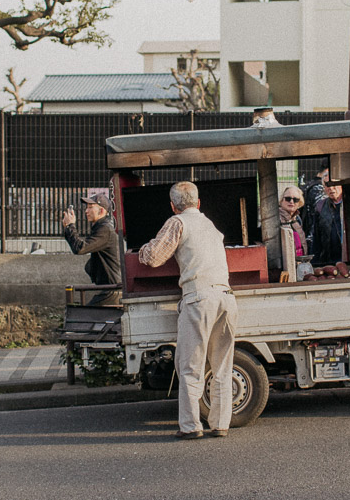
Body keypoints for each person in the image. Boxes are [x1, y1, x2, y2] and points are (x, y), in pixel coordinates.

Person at [138, 181, 237, 440]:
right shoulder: (211, 226)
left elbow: (153, 258)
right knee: (222, 366)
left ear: (173, 206)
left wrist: (143, 248)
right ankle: (220, 424)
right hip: (226, 297)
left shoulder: (177, 222)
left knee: (190, 367)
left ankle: (191, 426)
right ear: (199, 203)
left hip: (198, 298)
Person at [62, 194, 122, 306]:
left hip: (113, 290)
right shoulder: (103, 227)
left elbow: (80, 248)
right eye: (87, 207)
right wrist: (68, 228)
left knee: (84, 317)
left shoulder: (105, 230)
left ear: (102, 211)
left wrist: (70, 226)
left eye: (90, 207)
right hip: (110, 289)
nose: (86, 211)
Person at [308, 178, 348, 277]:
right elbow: (316, 238)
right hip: (329, 260)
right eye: (327, 185)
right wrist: (314, 264)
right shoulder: (320, 206)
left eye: (334, 184)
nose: (331, 188)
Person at [279, 185, 306, 258]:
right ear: (281, 200)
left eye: (295, 200)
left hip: (300, 263)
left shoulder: (298, 219)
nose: (291, 202)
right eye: (288, 199)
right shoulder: (276, 219)